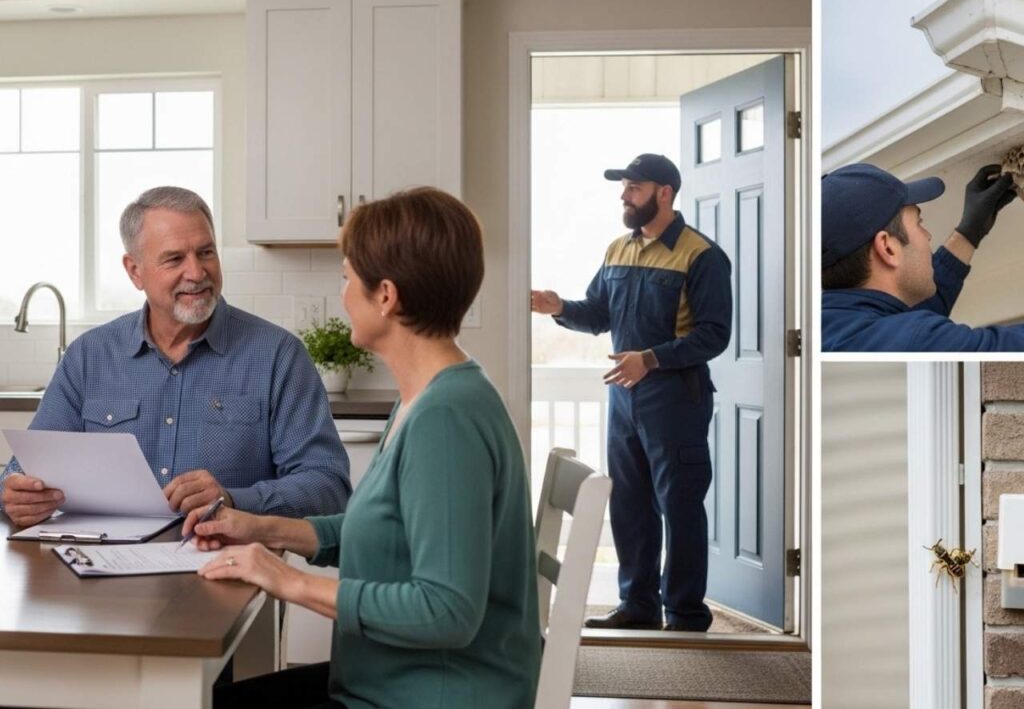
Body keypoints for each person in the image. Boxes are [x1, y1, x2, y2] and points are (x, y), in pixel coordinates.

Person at [187, 187, 541, 709]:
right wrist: (258, 527)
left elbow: (446, 611)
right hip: (392, 683)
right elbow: (380, 532)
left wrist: (287, 580)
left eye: (347, 277)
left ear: (386, 296)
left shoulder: (445, 420)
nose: (343, 292)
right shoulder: (426, 397)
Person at [1, 186, 351, 527]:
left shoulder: (278, 356)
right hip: (100, 570)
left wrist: (232, 501)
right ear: (134, 271)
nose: (197, 273)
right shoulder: (89, 357)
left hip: (230, 569)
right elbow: (22, 473)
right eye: (174, 259)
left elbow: (328, 486)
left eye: (206, 253)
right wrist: (15, 495)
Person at [532, 153, 732, 632]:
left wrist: (652, 358)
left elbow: (714, 335)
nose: (624, 196)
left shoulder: (702, 255)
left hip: (675, 399)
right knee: (630, 503)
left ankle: (685, 614)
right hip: (624, 398)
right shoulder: (618, 250)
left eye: (634, 188)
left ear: (664, 193)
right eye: (624, 187)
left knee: (678, 505)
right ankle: (638, 605)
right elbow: (600, 313)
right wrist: (560, 307)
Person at [821, 162, 1024, 351]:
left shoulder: (825, 328)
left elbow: (905, 321)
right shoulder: (914, 340)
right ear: (888, 248)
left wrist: (969, 233)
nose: (927, 236)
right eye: (919, 223)